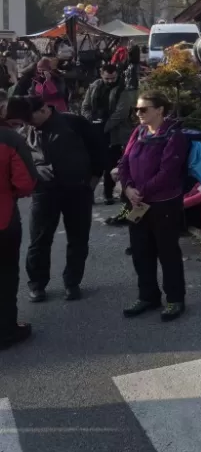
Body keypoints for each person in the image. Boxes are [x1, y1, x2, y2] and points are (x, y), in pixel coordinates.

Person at [4, 96, 103, 303]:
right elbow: (22, 161)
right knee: (39, 239)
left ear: (44, 110)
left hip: (77, 190)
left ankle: (72, 282)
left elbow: (98, 150)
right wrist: (37, 172)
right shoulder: (24, 130)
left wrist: (92, 182)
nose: (28, 124)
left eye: (31, 119)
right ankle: (37, 284)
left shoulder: (74, 122)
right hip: (44, 192)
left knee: (77, 238)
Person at [116, 91, 189, 321]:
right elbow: (124, 161)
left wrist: (141, 192)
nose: (138, 113)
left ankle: (175, 299)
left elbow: (168, 173)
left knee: (167, 253)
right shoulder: (138, 132)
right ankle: (148, 296)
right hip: (136, 202)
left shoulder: (174, 136)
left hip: (163, 204)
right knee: (140, 251)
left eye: (143, 109)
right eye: (137, 109)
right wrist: (128, 187)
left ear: (159, 110)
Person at [0, 119, 37, 350]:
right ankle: (6, 330)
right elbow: (26, 183)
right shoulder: (9, 138)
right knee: (5, 275)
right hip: (3, 218)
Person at [82, 63, 136, 205]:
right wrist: (91, 121)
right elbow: (85, 107)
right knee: (95, 165)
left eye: (113, 78)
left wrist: (104, 127)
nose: (110, 81)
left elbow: (121, 113)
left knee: (111, 165)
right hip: (96, 130)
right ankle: (88, 194)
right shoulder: (94, 86)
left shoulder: (123, 89)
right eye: (107, 78)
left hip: (115, 133)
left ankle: (108, 194)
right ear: (102, 75)